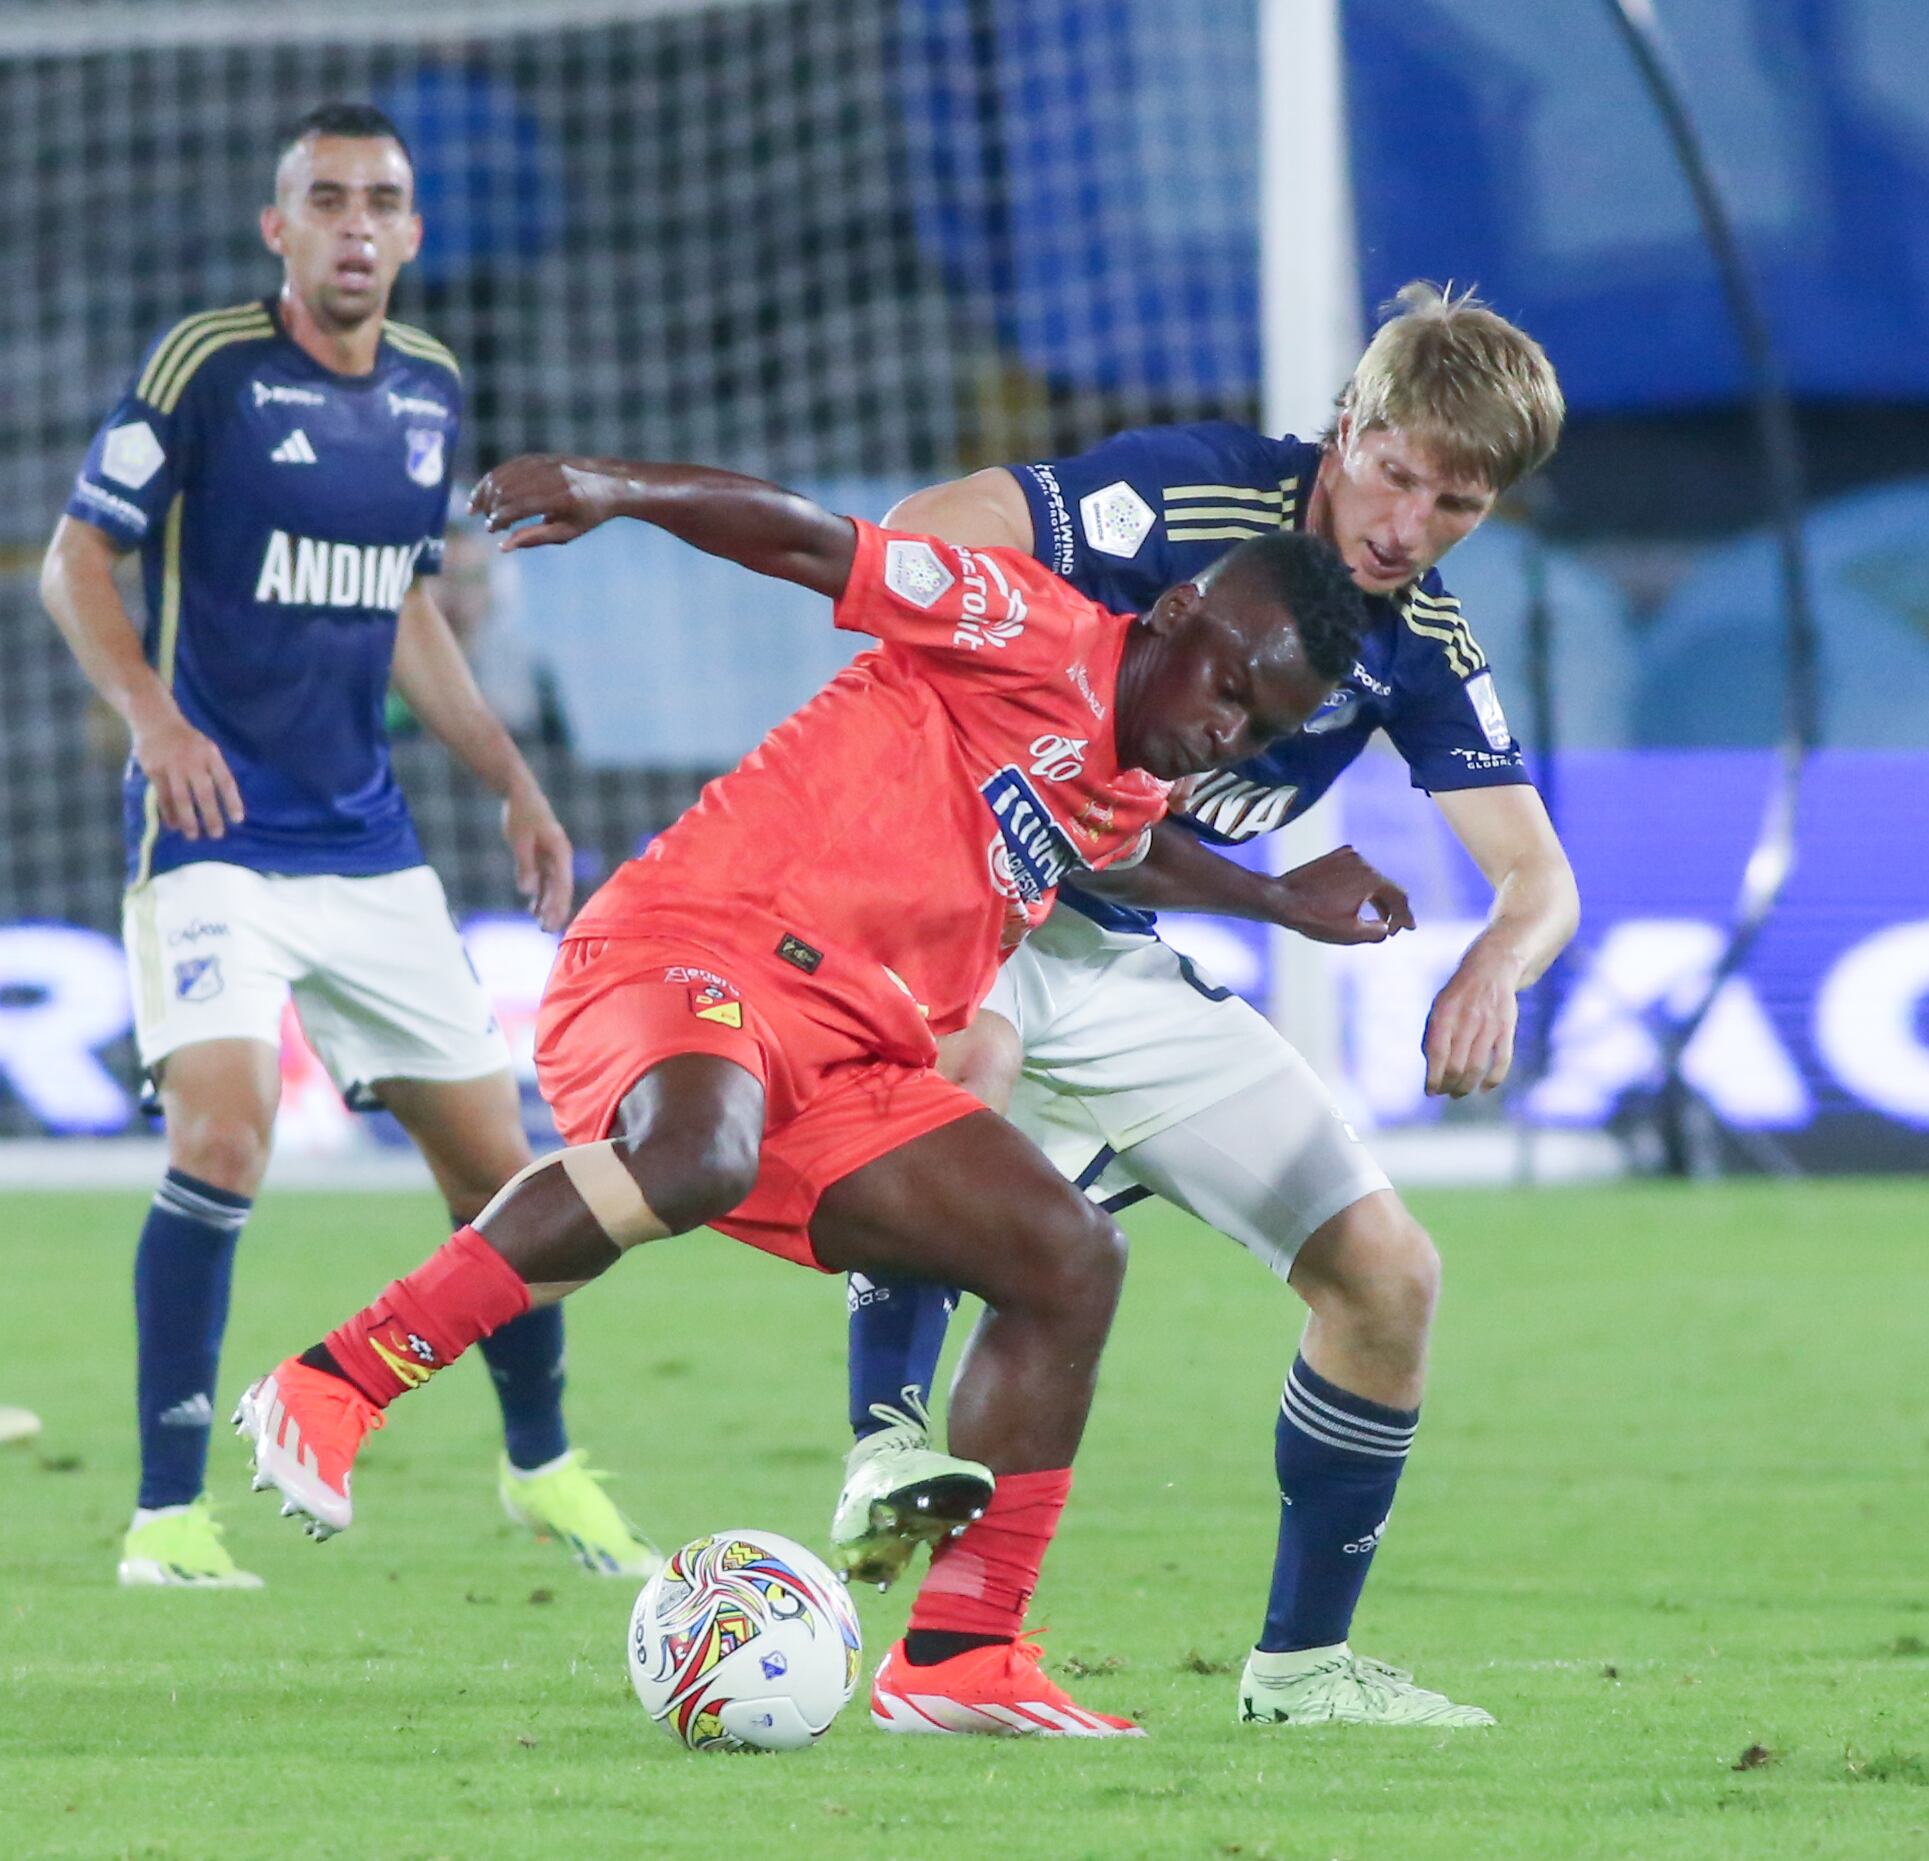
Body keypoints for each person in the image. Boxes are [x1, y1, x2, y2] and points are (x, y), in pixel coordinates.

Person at [235, 448, 1368, 1737]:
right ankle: (333, 1382)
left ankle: (961, 1656)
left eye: (1260, 730)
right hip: (689, 946)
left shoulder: (1132, 772)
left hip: (853, 1058)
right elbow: (816, 545)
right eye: (1229, 690)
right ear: (1173, 616)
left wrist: (1276, 897)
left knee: (1070, 1255)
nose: (1229, 732)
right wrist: (621, 493)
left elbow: (1125, 839)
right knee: (697, 1154)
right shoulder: (1024, 624)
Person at [833, 282, 1579, 1727]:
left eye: (1456, 503)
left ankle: (1298, 1669)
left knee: (1387, 1280)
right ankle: (881, 1443)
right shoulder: (1183, 499)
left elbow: (1538, 878)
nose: (1407, 524)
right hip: (966, 891)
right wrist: (1012, 682)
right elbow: (928, 521)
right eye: (1395, 473)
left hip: (1112, 946)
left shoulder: (1412, 638)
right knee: (965, 1068)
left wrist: (1494, 959)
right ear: (1346, 425)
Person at [40, 103, 654, 1589]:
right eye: (325, 199)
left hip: (369, 851)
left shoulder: (433, 388)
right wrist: (151, 717)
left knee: (505, 1179)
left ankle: (542, 1466)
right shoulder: (207, 368)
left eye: (381, 199)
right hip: (214, 839)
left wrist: (509, 773)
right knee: (224, 1132)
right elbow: (76, 562)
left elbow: (404, 605)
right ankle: (169, 1515)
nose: (355, 225)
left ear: (414, 231)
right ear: (280, 230)